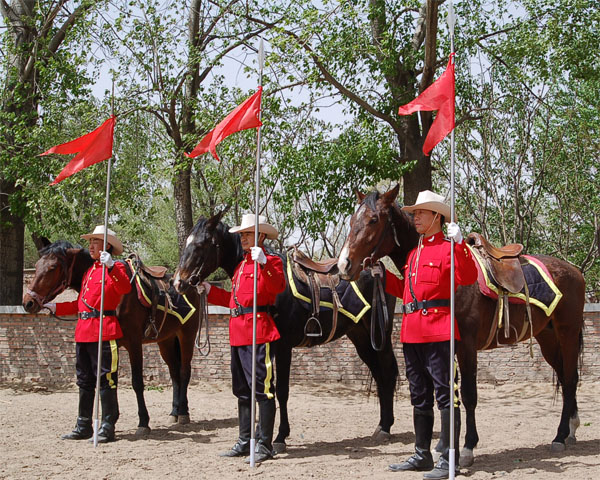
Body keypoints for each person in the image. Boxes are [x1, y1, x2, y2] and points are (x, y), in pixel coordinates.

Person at [376, 191, 477, 479]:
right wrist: (382, 276)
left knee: (446, 395)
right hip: (412, 333)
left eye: (420, 213)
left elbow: (468, 277)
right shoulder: (413, 253)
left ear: (436, 217)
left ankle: (450, 457)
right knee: (419, 396)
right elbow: (407, 292)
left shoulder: (448, 249)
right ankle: (422, 454)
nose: (415, 217)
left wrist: (459, 245)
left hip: (439, 331)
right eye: (415, 213)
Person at [201, 213, 286, 463]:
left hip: (259, 331)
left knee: (264, 390)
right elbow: (233, 301)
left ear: (261, 236)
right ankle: (245, 439)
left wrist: (265, 265)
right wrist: (209, 291)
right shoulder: (241, 265)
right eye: (242, 235)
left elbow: (278, 286)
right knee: (242, 391)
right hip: (238, 333)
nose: (243, 238)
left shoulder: (270, 261)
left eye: (247, 234)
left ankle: (264, 444)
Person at [44, 226, 131, 443]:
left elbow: (125, 288)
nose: (90, 246)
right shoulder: (90, 271)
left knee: (106, 380)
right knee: (84, 380)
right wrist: (56, 308)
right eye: (90, 242)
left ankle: (108, 425)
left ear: (106, 245)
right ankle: (83, 424)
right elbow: (81, 304)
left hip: (104, 330)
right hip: (84, 332)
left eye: (95, 241)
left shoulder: (115, 267)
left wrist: (110, 266)